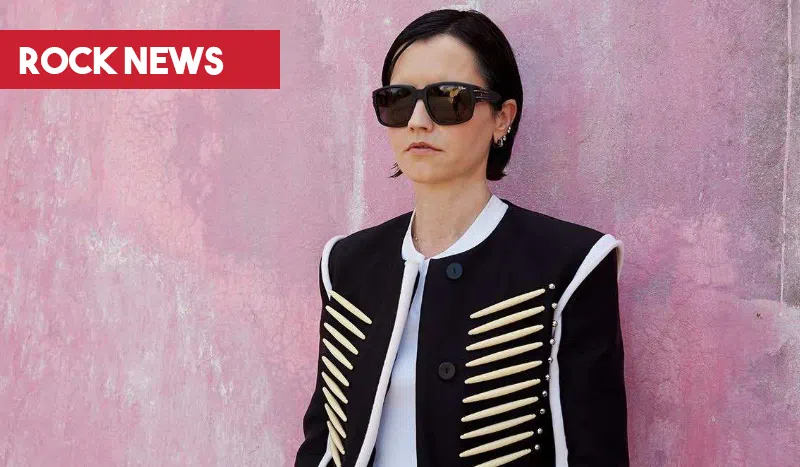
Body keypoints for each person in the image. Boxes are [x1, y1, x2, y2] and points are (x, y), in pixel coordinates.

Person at [295, 8, 629, 467]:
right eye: (397, 100)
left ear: (502, 118)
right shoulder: (345, 266)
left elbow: (591, 453)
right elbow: (323, 445)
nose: (417, 121)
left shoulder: (571, 266)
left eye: (448, 99)